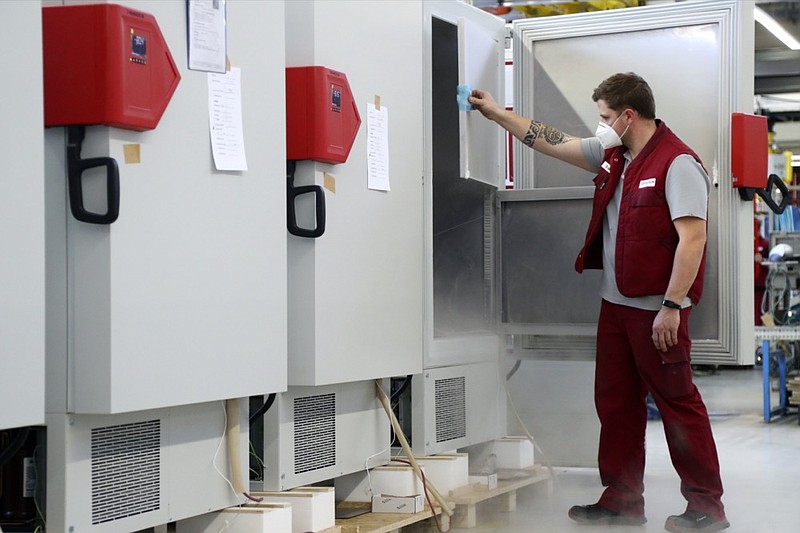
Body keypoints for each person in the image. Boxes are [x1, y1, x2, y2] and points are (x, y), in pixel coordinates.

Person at [469, 73, 729, 533]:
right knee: (616, 403)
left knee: (678, 404)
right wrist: (496, 114)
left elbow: (693, 239)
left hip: (658, 311)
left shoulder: (678, 163)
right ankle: (623, 500)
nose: (601, 125)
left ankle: (707, 506)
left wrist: (672, 305)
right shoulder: (615, 157)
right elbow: (552, 141)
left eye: (606, 116)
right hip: (616, 307)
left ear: (629, 116)